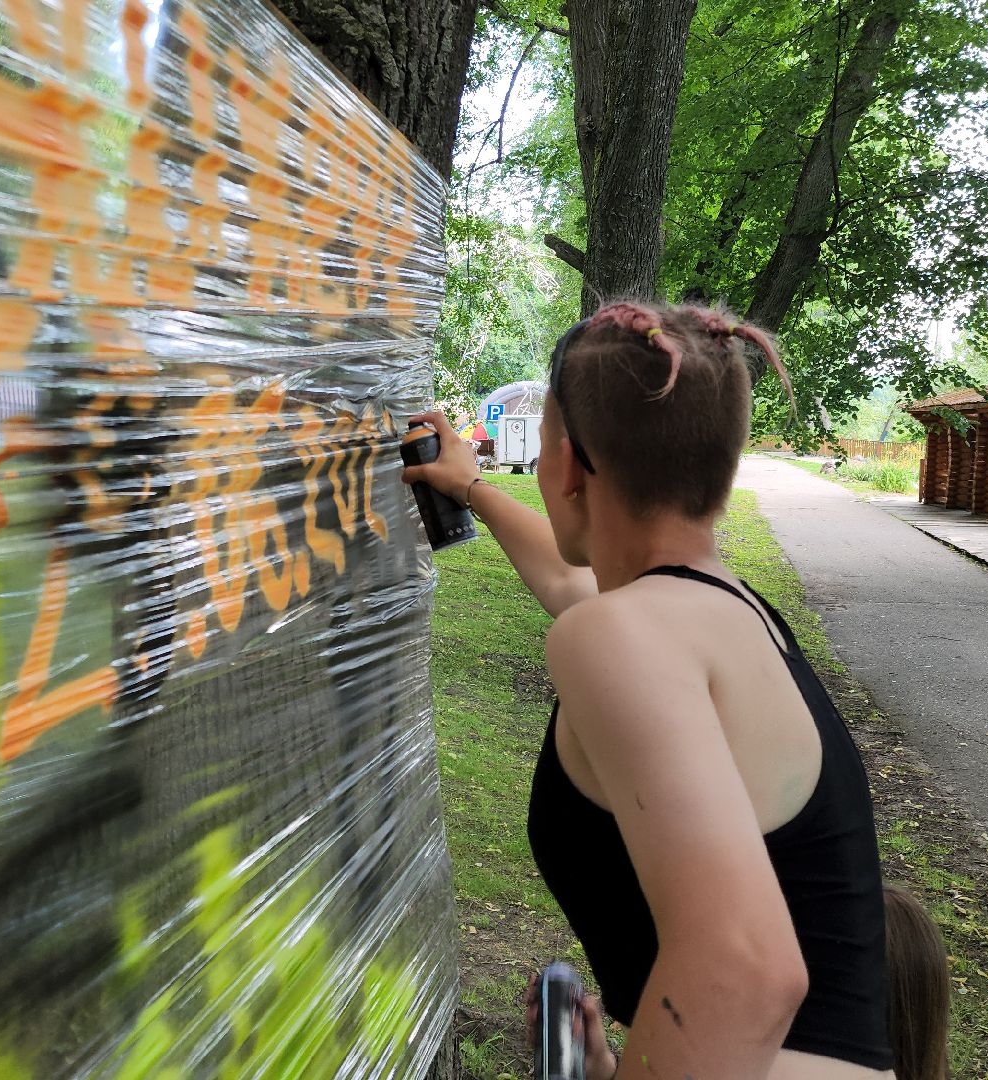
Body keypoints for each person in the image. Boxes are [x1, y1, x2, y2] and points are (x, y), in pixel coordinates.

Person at [405, 300, 947, 1078]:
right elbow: (569, 578)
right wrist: (474, 488)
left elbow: (747, 970)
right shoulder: (727, 615)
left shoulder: (628, 635)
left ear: (563, 467)